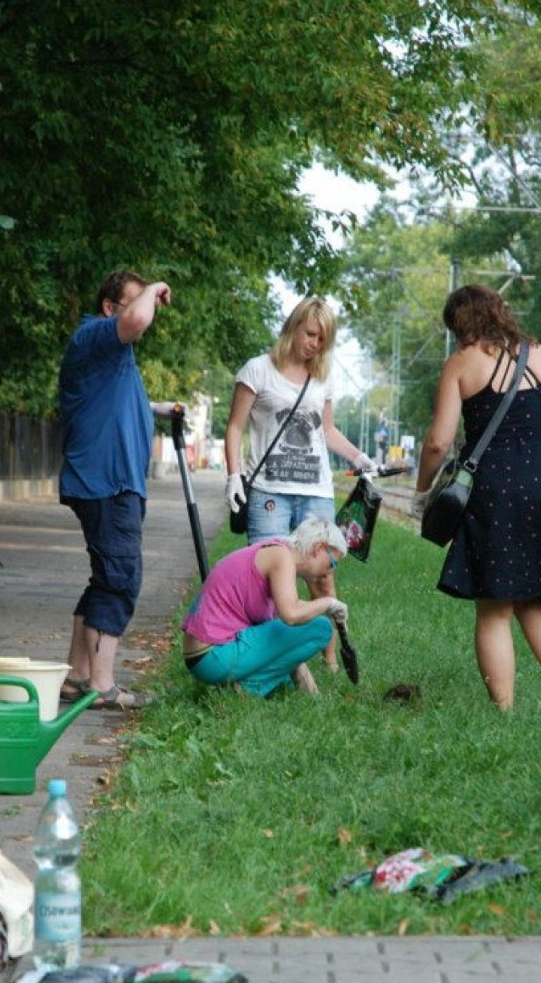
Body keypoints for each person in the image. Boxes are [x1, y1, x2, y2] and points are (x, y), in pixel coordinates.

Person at [410, 284, 541, 717]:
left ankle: (503, 713)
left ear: (459, 324)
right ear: (500, 312)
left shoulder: (461, 364)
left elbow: (437, 442)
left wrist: (422, 490)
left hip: (493, 494)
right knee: (535, 596)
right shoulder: (540, 357)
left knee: (495, 606)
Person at [224, 296, 374, 672]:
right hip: (270, 492)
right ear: (294, 326)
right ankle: (282, 662)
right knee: (267, 580)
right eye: (310, 334)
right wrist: (232, 474)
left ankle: (328, 658)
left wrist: (358, 458)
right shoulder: (257, 370)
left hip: (316, 493)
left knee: (322, 577)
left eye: (322, 339)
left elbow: (326, 431)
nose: (314, 345)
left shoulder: (321, 377)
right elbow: (235, 426)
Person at [57, 270, 171, 710]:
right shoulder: (94, 336)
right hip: (106, 483)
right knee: (121, 578)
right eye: (133, 299)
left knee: (105, 577)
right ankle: (102, 687)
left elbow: (113, 404)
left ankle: (76, 677)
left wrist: (156, 410)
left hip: (114, 482)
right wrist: (154, 285)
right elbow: (137, 321)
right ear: (110, 307)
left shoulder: (113, 355)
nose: (146, 311)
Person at [181, 516, 349, 697]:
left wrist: (314, 694)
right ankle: (246, 688)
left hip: (202, 656)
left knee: (286, 682)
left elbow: (285, 641)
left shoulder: (275, 551)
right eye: (332, 564)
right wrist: (328, 603)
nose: (329, 572)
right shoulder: (281, 557)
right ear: (319, 548)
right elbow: (291, 615)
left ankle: (246, 685)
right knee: (321, 627)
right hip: (213, 655)